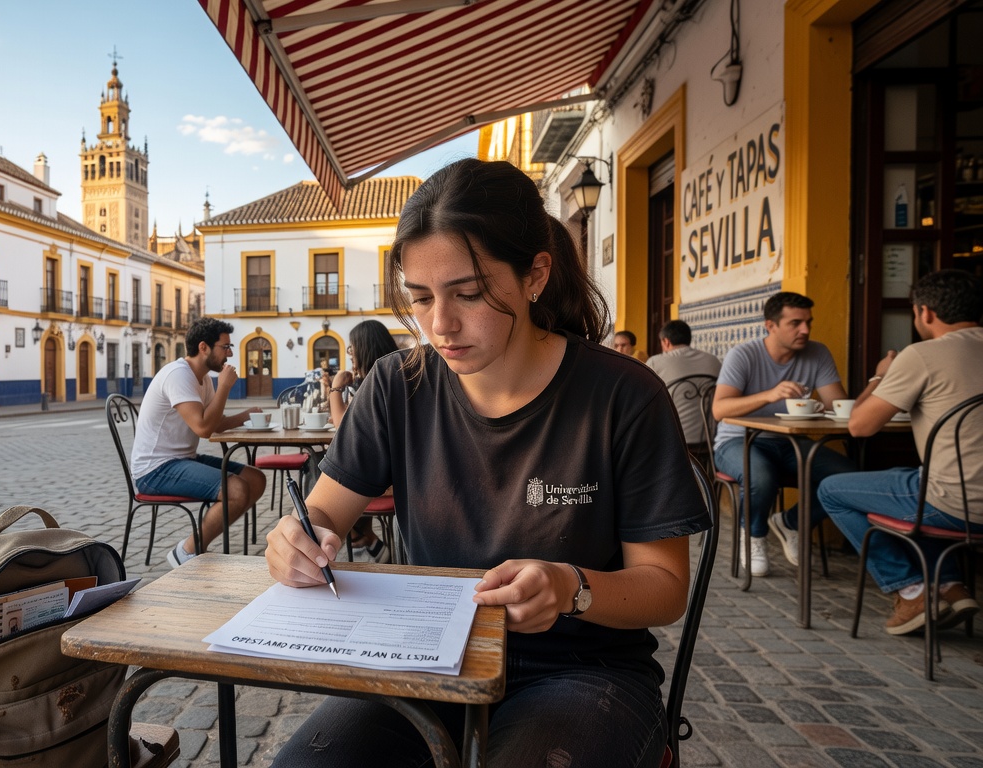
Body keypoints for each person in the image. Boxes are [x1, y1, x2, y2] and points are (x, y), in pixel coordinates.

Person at [266, 158, 710, 767]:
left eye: (468, 294)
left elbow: (664, 589)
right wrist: (297, 538)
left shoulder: (622, 397)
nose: (440, 326)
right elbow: (323, 512)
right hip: (426, 657)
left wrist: (569, 587)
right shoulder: (398, 386)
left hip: (583, 671)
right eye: (419, 299)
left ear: (535, 274)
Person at [819, 269, 983, 635]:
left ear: (925, 312)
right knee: (914, 479)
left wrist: (881, 376)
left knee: (831, 489)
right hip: (957, 495)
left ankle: (911, 589)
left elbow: (859, 426)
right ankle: (951, 585)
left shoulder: (922, 355)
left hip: (957, 505)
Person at [711, 292, 856, 577]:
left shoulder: (818, 352)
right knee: (761, 476)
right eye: (795, 323)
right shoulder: (744, 354)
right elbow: (720, 409)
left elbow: (836, 404)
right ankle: (752, 536)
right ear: (770, 325)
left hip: (789, 441)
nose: (805, 330)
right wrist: (770, 395)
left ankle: (792, 522)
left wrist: (878, 381)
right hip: (736, 440)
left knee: (846, 475)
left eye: (808, 322)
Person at [131, 317, 266, 568]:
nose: (229, 353)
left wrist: (245, 416)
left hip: (182, 460)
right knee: (236, 490)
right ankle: (187, 550)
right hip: (154, 470)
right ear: (204, 347)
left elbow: (213, 421)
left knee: (256, 479)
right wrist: (225, 387)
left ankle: (200, 541)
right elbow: (204, 428)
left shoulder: (202, 378)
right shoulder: (179, 375)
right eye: (224, 347)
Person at [320, 319, 400, 563]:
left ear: (364, 348)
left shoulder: (381, 382)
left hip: (389, 482)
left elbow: (344, 426)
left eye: (352, 349)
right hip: (388, 475)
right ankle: (368, 543)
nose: (351, 356)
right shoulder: (395, 376)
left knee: (325, 471)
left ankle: (364, 543)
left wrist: (335, 389)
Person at [646, 320, 722, 444]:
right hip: (709, 440)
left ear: (666, 341)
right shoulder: (713, 360)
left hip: (671, 442)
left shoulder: (655, 362)